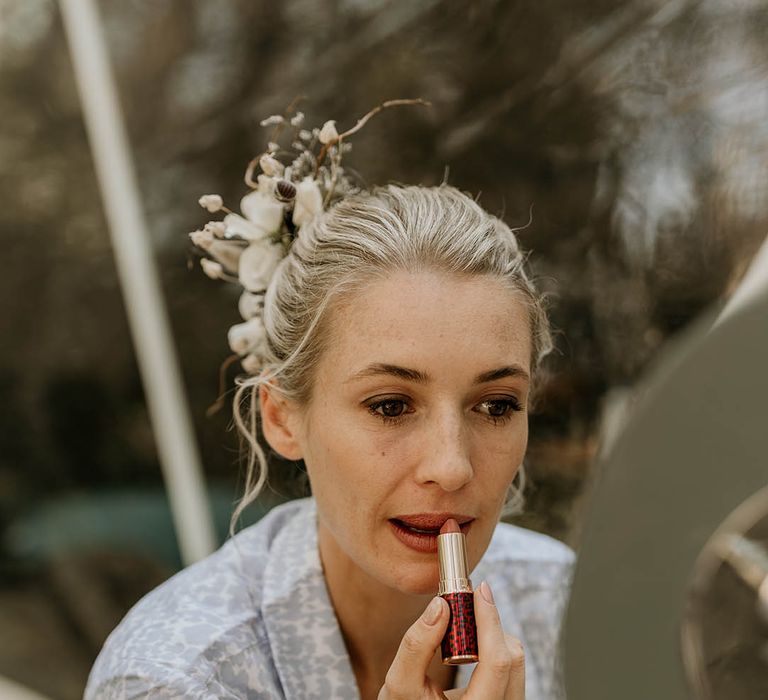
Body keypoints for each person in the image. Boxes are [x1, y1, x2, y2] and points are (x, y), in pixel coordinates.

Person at [85, 111, 575, 699]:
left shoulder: (565, 605)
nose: (452, 467)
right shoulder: (177, 678)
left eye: (496, 406)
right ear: (281, 417)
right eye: (391, 405)